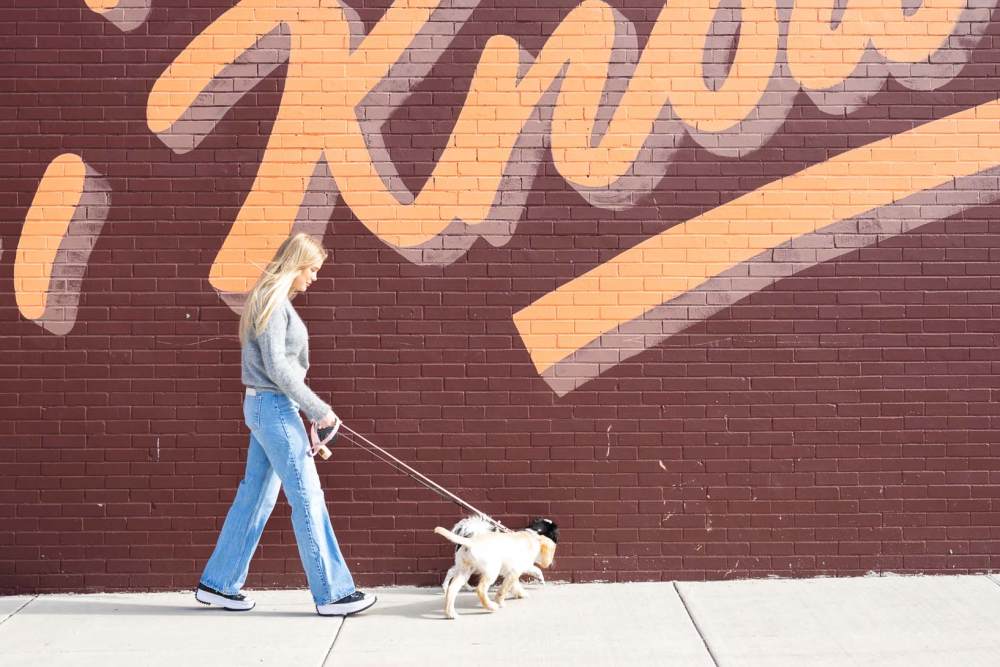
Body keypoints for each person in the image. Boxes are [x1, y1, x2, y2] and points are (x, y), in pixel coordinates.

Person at [194, 233, 376, 616]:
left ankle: (218, 583)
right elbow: (277, 368)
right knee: (307, 497)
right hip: (274, 408)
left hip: (268, 408)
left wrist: (303, 411)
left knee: (255, 496)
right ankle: (333, 594)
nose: (313, 277)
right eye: (311, 269)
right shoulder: (274, 305)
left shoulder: (270, 301)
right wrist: (318, 410)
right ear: (294, 265)